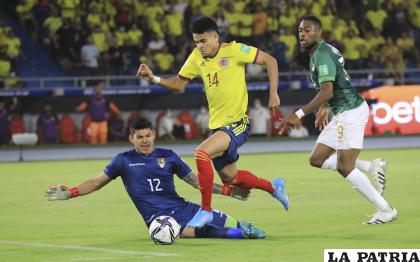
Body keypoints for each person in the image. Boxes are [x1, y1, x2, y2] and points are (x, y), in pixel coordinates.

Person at [137, 16, 288, 228]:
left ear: (216, 37)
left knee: (201, 153)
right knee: (231, 178)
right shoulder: (196, 57)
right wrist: (154, 78)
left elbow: (270, 61)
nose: (199, 46)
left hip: (239, 122)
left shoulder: (234, 50)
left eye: (203, 41)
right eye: (196, 41)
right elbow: (179, 84)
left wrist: (273, 93)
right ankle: (274, 188)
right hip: (218, 127)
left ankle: (206, 211)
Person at [45, 118, 265, 240]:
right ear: (131, 138)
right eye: (139, 137)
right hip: (158, 220)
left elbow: (197, 182)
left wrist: (229, 191)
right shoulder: (122, 161)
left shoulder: (168, 156)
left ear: (154, 135)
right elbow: (95, 182)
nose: (144, 140)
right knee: (204, 232)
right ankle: (239, 234)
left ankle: (244, 229)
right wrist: (72, 192)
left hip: (184, 208)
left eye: (148, 135)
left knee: (232, 221)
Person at [281, 15, 396, 224]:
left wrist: (298, 114)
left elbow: (327, 91)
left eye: (307, 30)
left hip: (350, 112)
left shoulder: (321, 54)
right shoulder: (320, 51)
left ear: (319, 32)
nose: (303, 34)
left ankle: (386, 210)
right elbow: (333, 84)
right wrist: (325, 106)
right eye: (300, 31)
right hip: (342, 111)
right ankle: (371, 167)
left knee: (345, 167)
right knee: (317, 159)